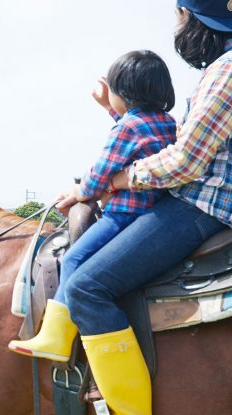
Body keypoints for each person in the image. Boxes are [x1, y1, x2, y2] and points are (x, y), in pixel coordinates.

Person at [20, 0, 232, 415]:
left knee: (87, 285)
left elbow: (184, 161)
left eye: (179, 16)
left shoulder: (230, 71)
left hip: (201, 207)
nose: (176, 27)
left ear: (195, 18)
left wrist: (111, 182)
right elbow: (165, 141)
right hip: (203, 201)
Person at [9, 49, 177, 362]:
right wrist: (111, 109)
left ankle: (55, 336)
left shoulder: (127, 128)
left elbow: (100, 173)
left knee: (75, 258)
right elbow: (139, 139)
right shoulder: (166, 123)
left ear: (124, 93)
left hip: (123, 215)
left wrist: (78, 193)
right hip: (154, 212)